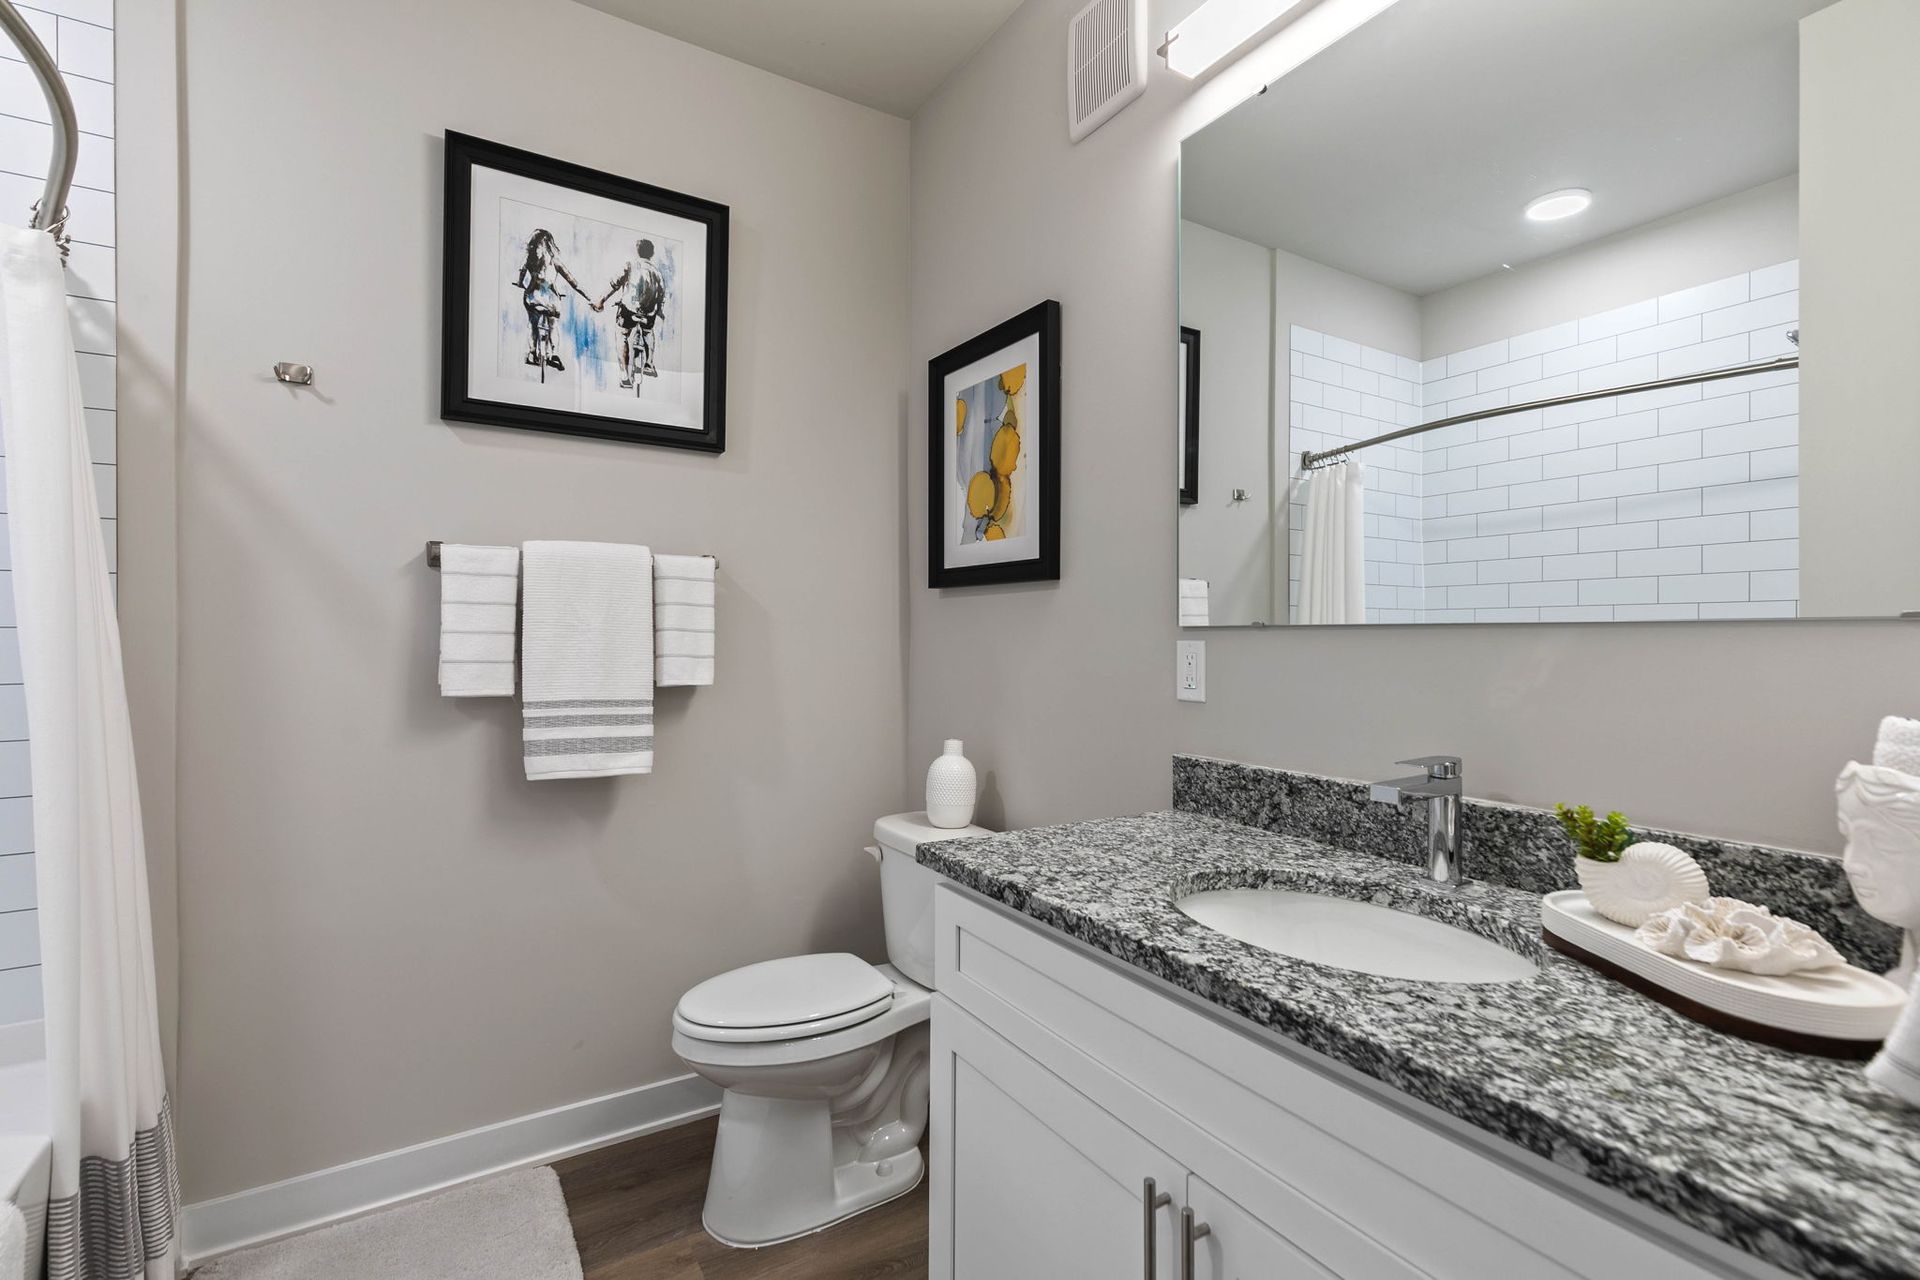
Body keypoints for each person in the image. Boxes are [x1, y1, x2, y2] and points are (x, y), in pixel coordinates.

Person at [515, 229, 591, 377]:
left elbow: (521, 274)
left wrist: (519, 283)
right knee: (553, 324)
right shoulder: (555, 262)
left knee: (532, 323)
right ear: (549, 244)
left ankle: (531, 353)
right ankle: (554, 354)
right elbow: (573, 282)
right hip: (551, 302)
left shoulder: (529, 260)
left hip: (532, 299)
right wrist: (588, 297)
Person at [593, 239, 668, 389]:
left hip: (629, 310)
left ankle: (624, 375)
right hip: (649, 312)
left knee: (622, 334)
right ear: (651, 253)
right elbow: (661, 295)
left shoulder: (630, 265)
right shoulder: (657, 273)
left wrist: (601, 300)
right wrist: (659, 311)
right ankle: (649, 363)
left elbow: (614, 284)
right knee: (648, 331)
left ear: (637, 250)